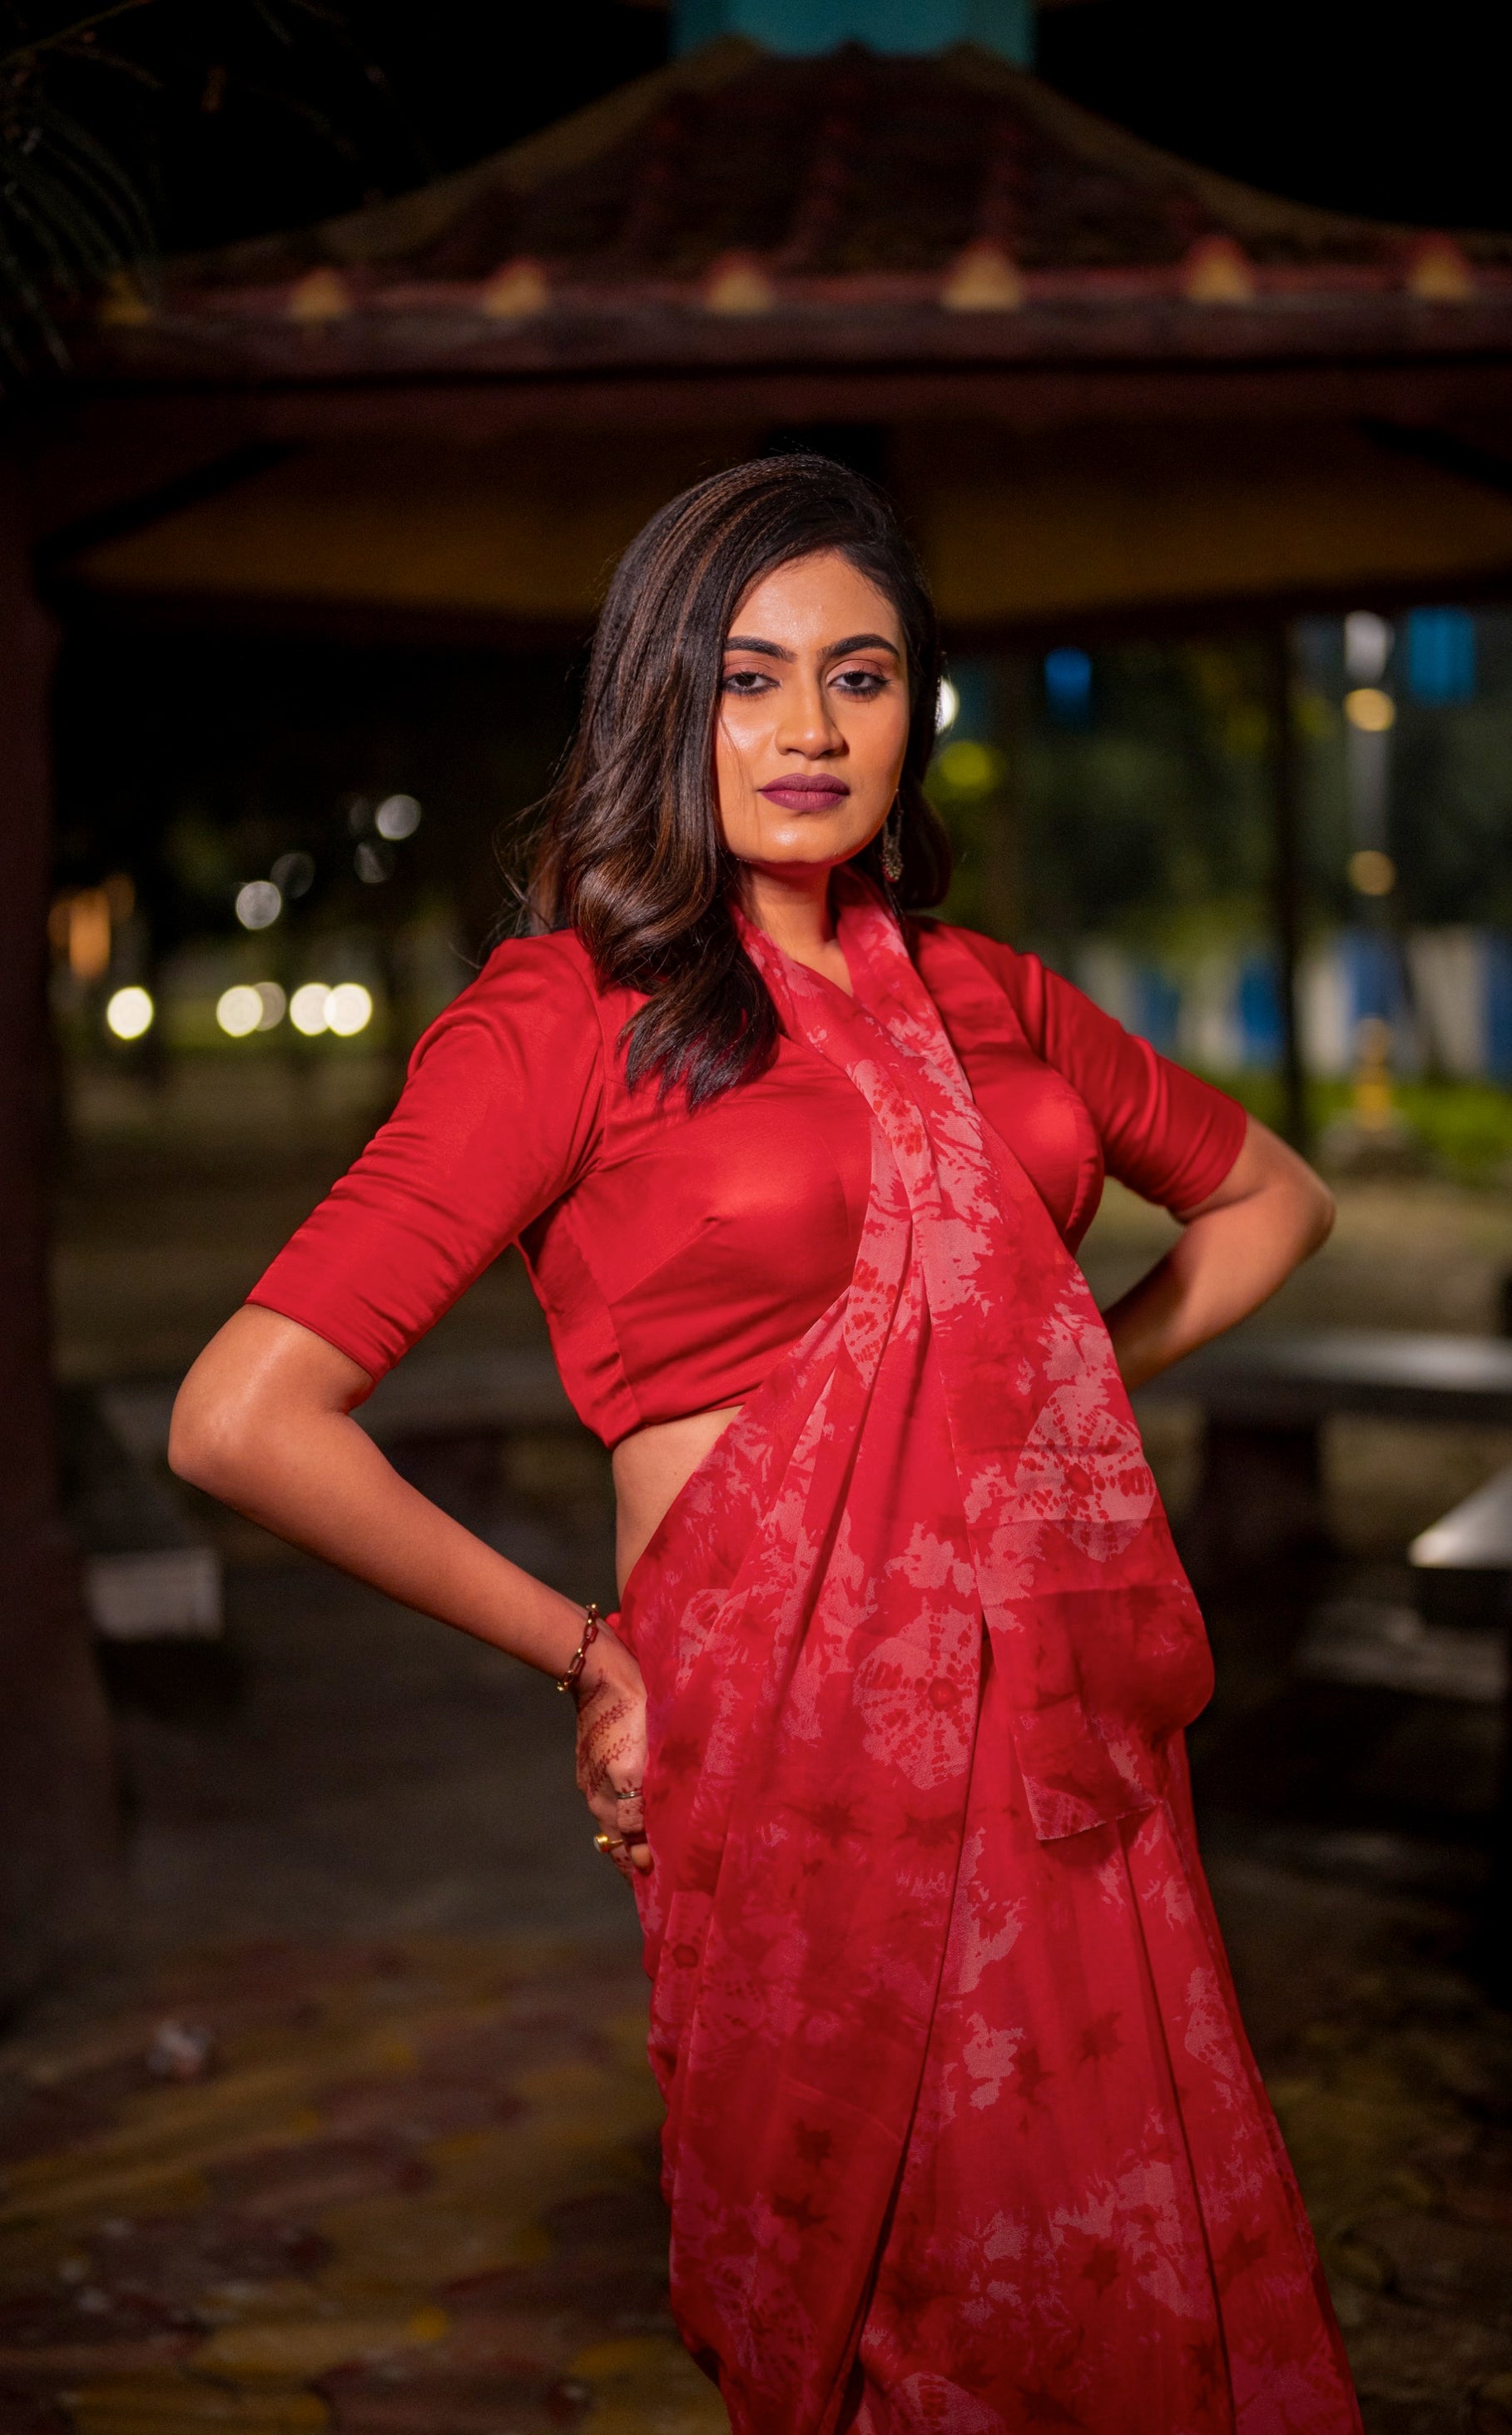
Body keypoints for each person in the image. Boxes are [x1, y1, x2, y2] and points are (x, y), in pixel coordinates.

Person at [171, 455, 1360, 2433]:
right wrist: (583, 1644)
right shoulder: (565, 1018)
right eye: (749, 675)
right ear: (662, 699)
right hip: (780, 1734)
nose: (810, 727)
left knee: (1109, 2262)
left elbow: (1274, 1204)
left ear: (917, 711)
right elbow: (243, 1415)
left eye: (863, 674)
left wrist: (1027, 1387)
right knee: (891, 2282)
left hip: (1057, 1723)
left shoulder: (994, 996)